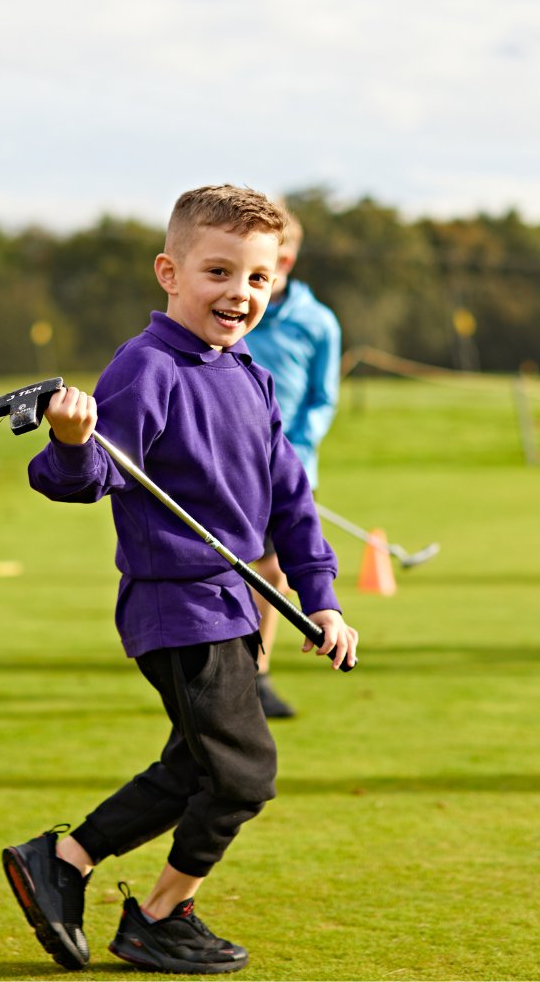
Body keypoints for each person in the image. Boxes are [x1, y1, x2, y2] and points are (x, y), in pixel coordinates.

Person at [2, 185, 358, 975]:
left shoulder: (251, 376)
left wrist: (323, 599)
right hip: (177, 608)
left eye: (258, 279)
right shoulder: (147, 366)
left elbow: (291, 504)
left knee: (198, 767)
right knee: (243, 774)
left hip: (231, 606)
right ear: (170, 271)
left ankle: (62, 861)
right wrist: (68, 439)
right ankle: (160, 914)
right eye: (218, 272)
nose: (239, 293)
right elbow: (83, 478)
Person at [242, 204, 342, 719]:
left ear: (290, 255)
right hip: (231, 466)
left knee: (274, 569)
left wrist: (296, 448)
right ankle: (226, 671)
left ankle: (256, 675)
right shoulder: (232, 308)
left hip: (292, 467)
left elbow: (323, 398)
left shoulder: (318, 322)